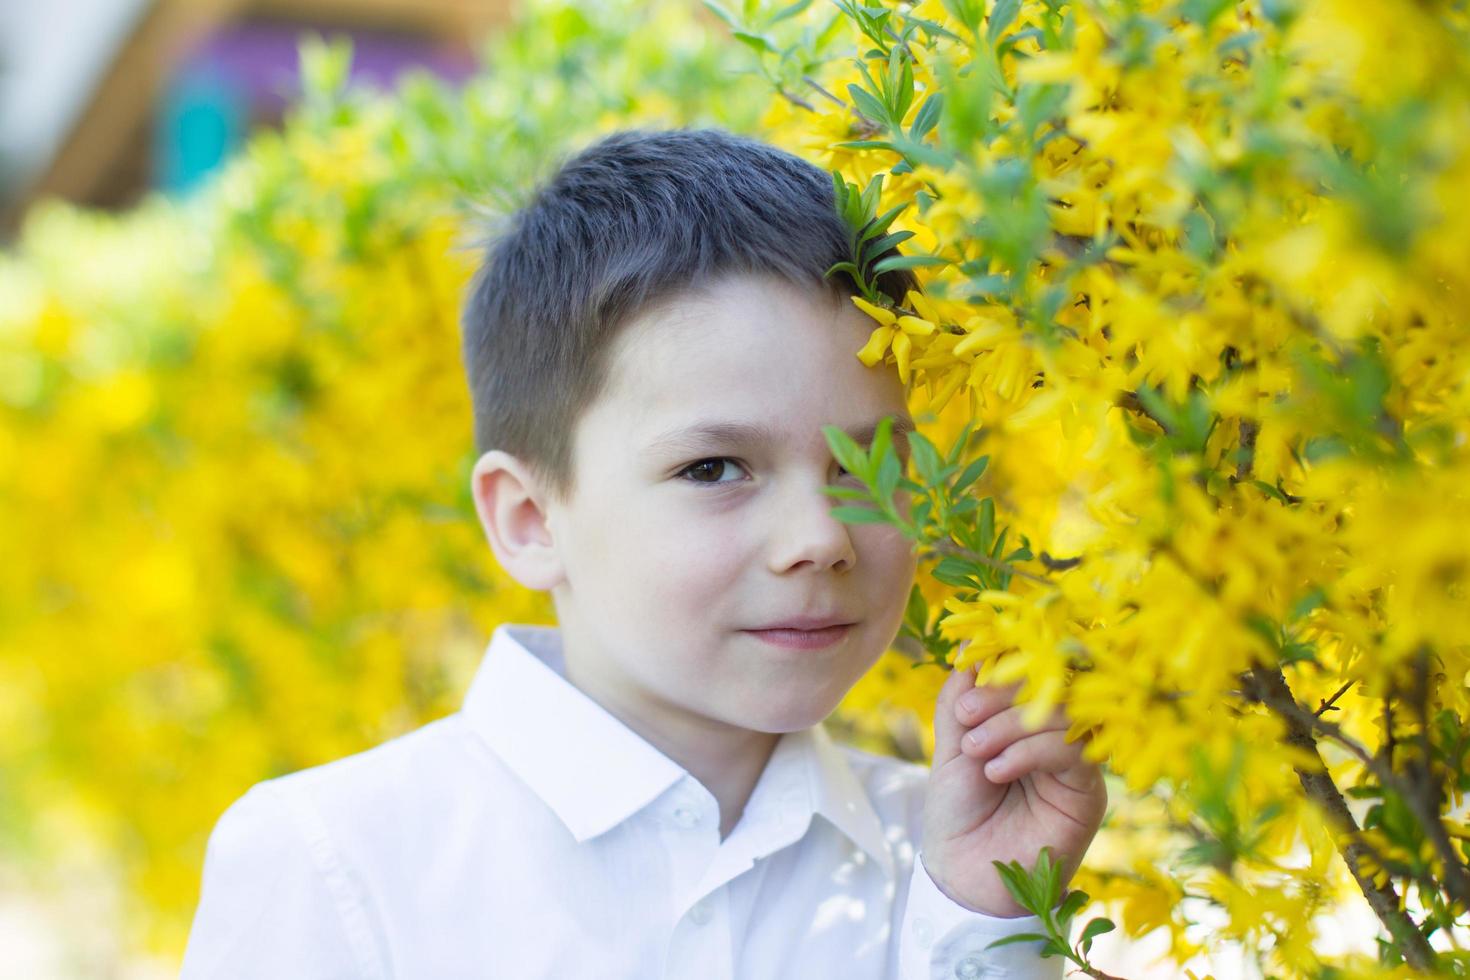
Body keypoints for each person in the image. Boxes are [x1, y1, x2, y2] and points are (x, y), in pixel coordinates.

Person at [180, 128, 1108, 978]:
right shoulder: (339, 859)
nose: (820, 538)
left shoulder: (950, 857)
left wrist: (988, 926)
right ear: (531, 520)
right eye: (715, 468)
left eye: (870, 463)